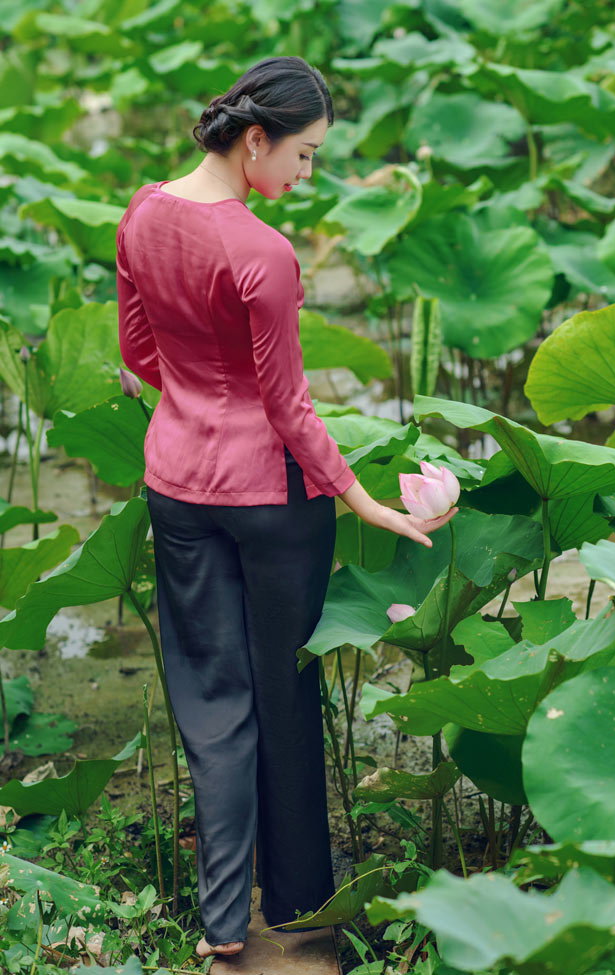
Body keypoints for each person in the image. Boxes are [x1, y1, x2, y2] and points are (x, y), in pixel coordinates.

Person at [115, 55, 457, 962]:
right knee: (286, 698)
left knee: (216, 705)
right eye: (303, 156)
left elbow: (138, 352)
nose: (305, 177)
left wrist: (193, 404)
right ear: (255, 139)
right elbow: (288, 405)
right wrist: (363, 500)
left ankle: (225, 925)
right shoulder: (262, 253)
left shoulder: (142, 212)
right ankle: (304, 907)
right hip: (274, 501)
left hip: (177, 487)